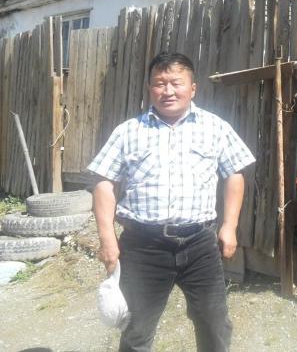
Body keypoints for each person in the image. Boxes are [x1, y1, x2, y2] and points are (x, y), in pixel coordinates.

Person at [88, 52, 255, 352]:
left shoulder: (216, 127)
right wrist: (107, 238)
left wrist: (229, 226)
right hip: (143, 246)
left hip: (199, 243)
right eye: (159, 83)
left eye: (176, 83)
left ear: (193, 88)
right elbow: (104, 183)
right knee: (137, 329)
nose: (168, 91)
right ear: (150, 88)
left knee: (214, 323)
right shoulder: (128, 131)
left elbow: (234, 174)